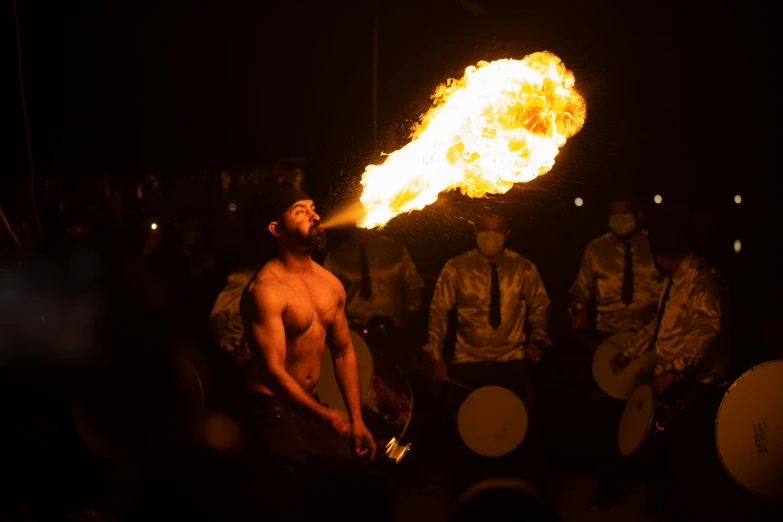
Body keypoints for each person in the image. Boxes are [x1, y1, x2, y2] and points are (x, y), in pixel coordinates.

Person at [595, 210, 731, 516]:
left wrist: (673, 370)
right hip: (674, 384)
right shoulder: (677, 279)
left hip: (698, 388)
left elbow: (708, 330)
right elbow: (661, 326)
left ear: (661, 256)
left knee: (686, 464)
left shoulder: (702, 281)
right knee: (664, 462)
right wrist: (629, 353)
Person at [239, 184, 376, 484]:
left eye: (312, 208)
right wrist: (324, 415)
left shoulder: (330, 285)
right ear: (277, 229)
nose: (314, 216)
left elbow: (343, 351)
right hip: (272, 410)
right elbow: (274, 370)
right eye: (300, 212)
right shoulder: (266, 290)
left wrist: (356, 418)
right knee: (294, 494)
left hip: (313, 405)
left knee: (341, 480)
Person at [423, 212, 551, 494]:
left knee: (517, 431)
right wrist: (435, 355)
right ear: (475, 231)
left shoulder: (523, 268)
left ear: (507, 232)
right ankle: (464, 497)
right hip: (468, 363)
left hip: (511, 362)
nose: (489, 235)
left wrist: (538, 339)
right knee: (466, 434)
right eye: (484, 229)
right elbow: (438, 313)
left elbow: (540, 306)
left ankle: (517, 496)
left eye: (496, 229)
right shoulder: (456, 267)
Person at [322, 227, 424, 365]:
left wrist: (409, 311)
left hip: (393, 331)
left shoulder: (395, 248)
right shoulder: (336, 255)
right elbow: (325, 297)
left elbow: (414, 285)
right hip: (354, 334)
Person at [569, 194, 663, 341]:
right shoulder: (595, 250)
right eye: (615, 214)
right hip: (607, 335)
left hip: (650, 333)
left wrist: (658, 311)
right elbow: (581, 289)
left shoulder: (655, 246)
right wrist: (580, 310)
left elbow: (673, 287)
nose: (619, 218)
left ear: (638, 215)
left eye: (625, 213)